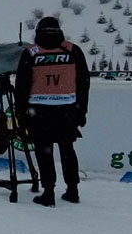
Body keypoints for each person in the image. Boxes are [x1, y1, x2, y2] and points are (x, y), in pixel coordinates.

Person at [16, 16, 90, 206]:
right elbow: (83, 84)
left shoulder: (31, 53)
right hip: (67, 110)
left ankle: (48, 192)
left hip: (39, 113)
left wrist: (21, 114)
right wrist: (81, 111)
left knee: (44, 152)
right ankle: (73, 190)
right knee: (67, 150)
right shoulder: (73, 50)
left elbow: (22, 87)